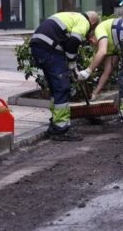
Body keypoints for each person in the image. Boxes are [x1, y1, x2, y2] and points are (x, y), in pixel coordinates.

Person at [30, 11, 100, 141]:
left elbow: (67, 43)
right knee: (62, 87)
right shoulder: (84, 22)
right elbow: (74, 41)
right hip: (50, 49)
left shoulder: (72, 16)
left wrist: (71, 66)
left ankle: (55, 123)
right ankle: (60, 130)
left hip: (39, 46)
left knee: (55, 88)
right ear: (93, 23)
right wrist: (72, 64)